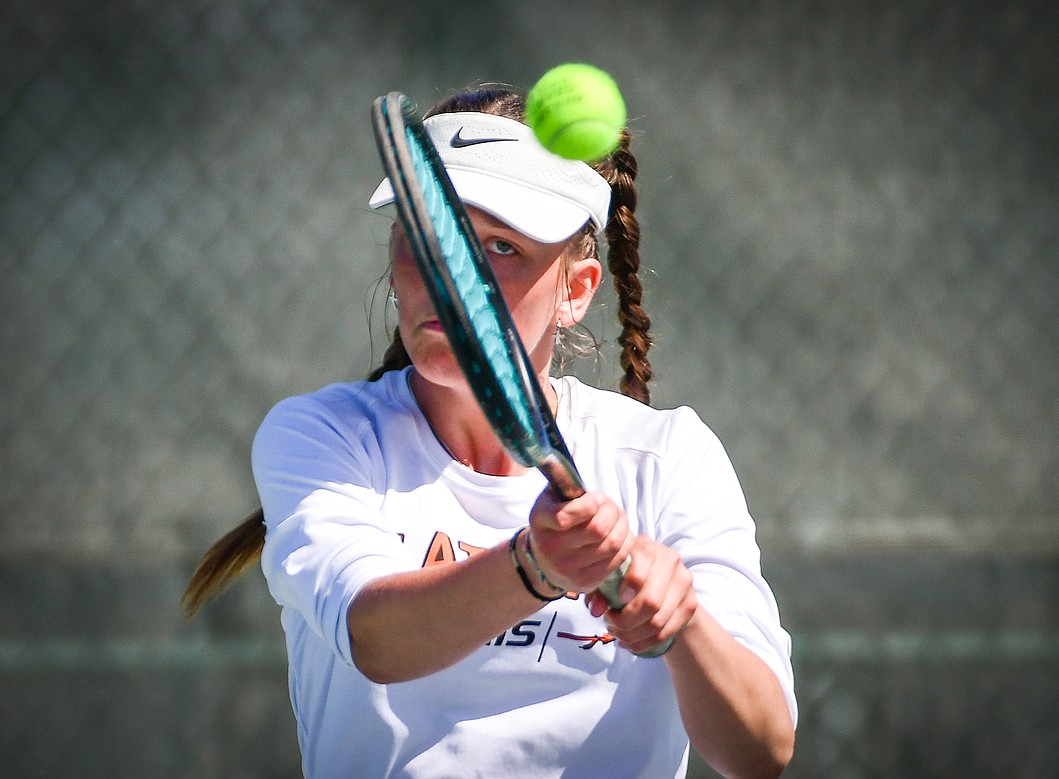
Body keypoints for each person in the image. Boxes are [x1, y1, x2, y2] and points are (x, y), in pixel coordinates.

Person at [184, 85, 796, 779]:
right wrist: (538, 565)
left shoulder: (665, 457)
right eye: (426, 239)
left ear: (576, 289)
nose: (448, 275)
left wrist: (682, 623)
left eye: (501, 246)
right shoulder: (323, 437)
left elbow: (761, 749)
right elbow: (376, 639)